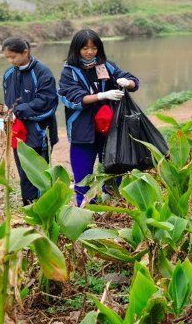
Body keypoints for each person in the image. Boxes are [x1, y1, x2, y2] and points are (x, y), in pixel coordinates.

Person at [57, 29, 139, 206]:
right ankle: (86, 207)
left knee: (113, 167)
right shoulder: (69, 72)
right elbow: (71, 97)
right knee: (82, 174)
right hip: (82, 131)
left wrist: (128, 83)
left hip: (108, 129)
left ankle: (111, 200)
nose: (89, 52)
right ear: (76, 49)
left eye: (94, 48)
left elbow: (130, 79)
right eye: (85, 48)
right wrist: (101, 96)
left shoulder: (105, 66)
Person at [2, 37, 58, 205]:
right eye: (7, 58)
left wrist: (17, 111)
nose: (11, 61)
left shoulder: (42, 72)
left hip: (40, 132)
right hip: (18, 132)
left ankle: (45, 211)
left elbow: (46, 102)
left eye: (13, 57)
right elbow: (8, 101)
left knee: (39, 174)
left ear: (25, 52)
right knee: (23, 173)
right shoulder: (9, 74)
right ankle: (29, 209)